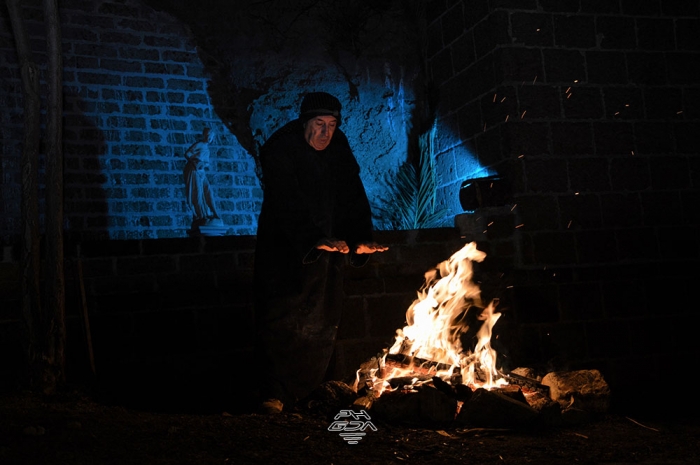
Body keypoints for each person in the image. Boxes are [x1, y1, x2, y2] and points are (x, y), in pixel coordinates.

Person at [253, 91, 388, 414]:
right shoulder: (281, 148)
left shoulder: (338, 147)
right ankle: (275, 394)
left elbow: (353, 196)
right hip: (286, 254)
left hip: (328, 255)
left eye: (332, 124)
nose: (326, 132)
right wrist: (311, 238)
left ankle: (316, 395)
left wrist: (358, 239)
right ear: (304, 124)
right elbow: (285, 200)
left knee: (323, 322)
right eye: (319, 124)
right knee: (283, 322)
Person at [183, 127, 220, 227]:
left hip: (201, 171)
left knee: (208, 190)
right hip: (194, 170)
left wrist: (204, 164)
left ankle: (214, 212)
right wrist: (195, 162)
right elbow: (187, 153)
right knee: (197, 192)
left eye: (211, 137)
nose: (209, 138)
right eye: (208, 136)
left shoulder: (207, 149)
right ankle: (201, 215)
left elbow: (206, 162)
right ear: (205, 136)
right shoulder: (199, 144)